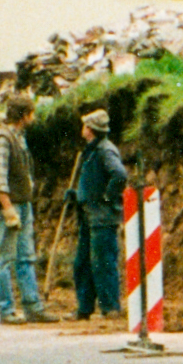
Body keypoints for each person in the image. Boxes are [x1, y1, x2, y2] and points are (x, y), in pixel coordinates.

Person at [0, 94, 50, 323]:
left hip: (23, 203)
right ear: (24, 115)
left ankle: (32, 307)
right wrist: (8, 209)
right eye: (31, 113)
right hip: (12, 206)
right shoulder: (3, 139)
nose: (34, 117)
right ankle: (6, 310)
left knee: (26, 256)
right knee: (5, 258)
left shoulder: (19, 137)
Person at [72, 106, 128, 323]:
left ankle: (110, 308)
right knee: (83, 263)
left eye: (85, 125)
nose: (82, 129)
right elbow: (94, 180)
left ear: (90, 129)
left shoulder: (105, 150)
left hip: (102, 217)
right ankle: (84, 308)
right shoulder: (91, 151)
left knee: (103, 262)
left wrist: (108, 198)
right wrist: (77, 194)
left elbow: (119, 175)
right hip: (89, 216)